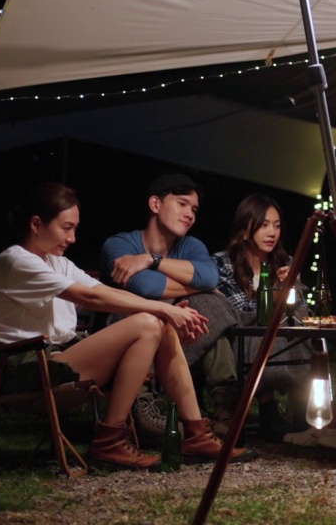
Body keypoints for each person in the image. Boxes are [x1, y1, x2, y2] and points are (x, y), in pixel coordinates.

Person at [0, 183, 253, 470]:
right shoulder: (16, 261)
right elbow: (92, 297)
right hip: (21, 369)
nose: (73, 237)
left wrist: (167, 311)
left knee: (157, 322)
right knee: (149, 323)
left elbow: (104, 290)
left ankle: (197, 434)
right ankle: (109, 442)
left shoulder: (56, 262)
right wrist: (161, 308)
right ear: (37, 224)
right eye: (66, 228)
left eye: (75, 228)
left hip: (52, 358)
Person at [100, 174, 242, 435]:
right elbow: (145, 287)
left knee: (206, 306)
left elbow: (210, 276)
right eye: (182, 204)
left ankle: (225, 407)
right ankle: (144, 404)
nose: (190, 214)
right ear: (155, 204)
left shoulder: (191, 245)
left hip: (183, 335)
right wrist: (198, 284)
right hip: (134, 335)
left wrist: (151, 261)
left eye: (194, 209)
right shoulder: (119, 244)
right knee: (195, 300)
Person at [212, 193, 310, 443]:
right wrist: (273, 295)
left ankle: (299, 405)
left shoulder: (284, 261)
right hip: (243, 340)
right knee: (265, 323)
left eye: (276, 226)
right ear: (246, 230)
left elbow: (299, 311)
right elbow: (237, 313)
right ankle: (270, 408)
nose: (272, 233)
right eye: (264, 225)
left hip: (281, 334)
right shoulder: (223, 263)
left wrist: (289, 289)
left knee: (298, 305)